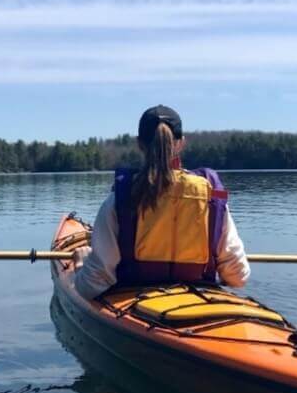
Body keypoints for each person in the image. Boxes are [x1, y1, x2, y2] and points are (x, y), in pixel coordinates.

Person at [73, 105, 250, 299]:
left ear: (140, 144)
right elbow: (237, 277)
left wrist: (80, 266)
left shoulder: (119, 199)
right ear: (181, 143)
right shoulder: (210, 197)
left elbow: (94, 283)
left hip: (135, 299)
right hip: (200, 297)